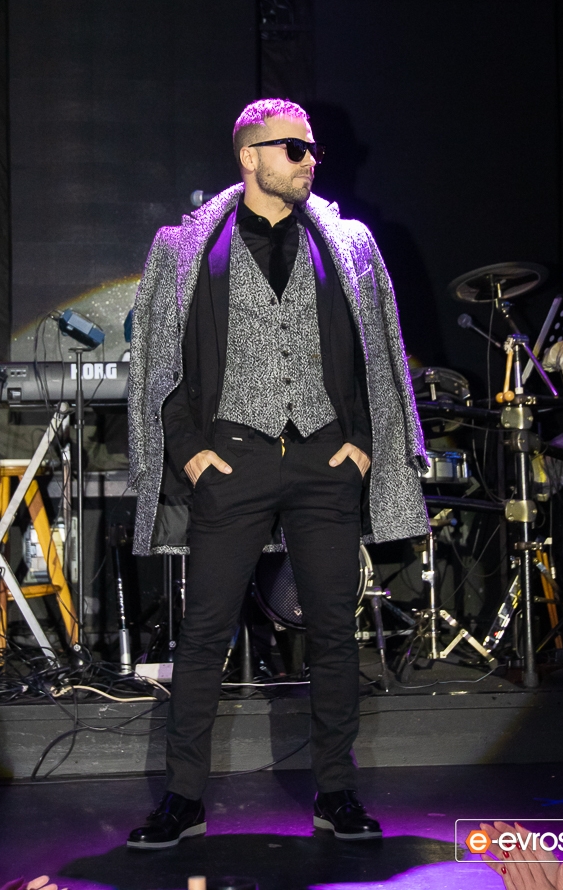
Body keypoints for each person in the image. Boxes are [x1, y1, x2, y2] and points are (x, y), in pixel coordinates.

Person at [126, 98, 429, 849]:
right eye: (293, 148)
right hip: (233, 458)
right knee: (204, 635)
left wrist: (363, 442)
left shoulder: (348, 242)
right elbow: (158, 360)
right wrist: (189, 449)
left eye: (312, 148)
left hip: (326, 459)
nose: (309, 159)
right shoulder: (185, 246)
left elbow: (380, 349)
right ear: (250, 157)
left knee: (332, 631)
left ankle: (337, 792)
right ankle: (183, 799)